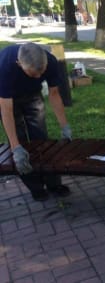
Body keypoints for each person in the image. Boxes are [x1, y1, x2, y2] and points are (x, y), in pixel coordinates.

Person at [0, 42, 72, 201]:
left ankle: (53, 184)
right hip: (7, 98)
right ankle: (36, 188)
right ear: (19, 64)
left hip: (32, 95)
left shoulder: (51, 62)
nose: (39, 77)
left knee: (41, 139)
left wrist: (64, 126)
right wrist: (15, 147)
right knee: (20, 143)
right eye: (33, 75)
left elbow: (54, 94)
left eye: (42, 73)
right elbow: (6, 109)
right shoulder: (5, 66)